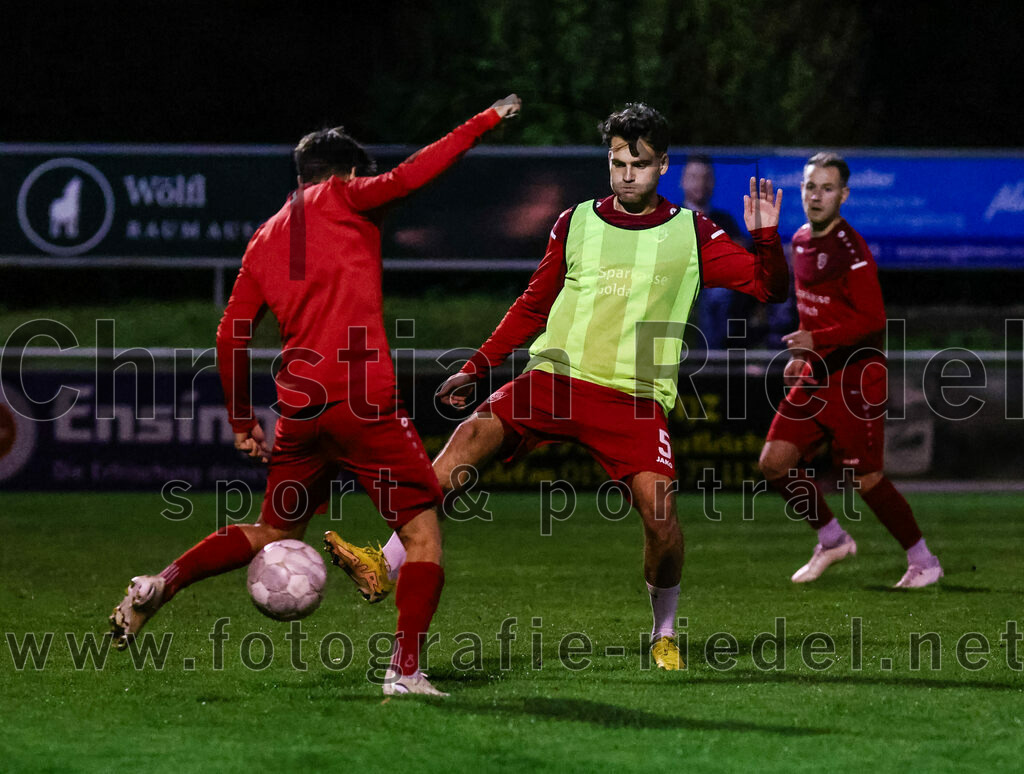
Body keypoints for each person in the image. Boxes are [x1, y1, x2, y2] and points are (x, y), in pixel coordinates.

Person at [325, 103, 788, 671]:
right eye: (617, 161)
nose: (625, 174)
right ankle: (384, 562)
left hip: (632, 398)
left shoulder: (692, 233)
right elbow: (533, 305)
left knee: (662, 519)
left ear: (662, 165)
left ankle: (663, 633)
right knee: (471, 438)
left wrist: (766, 237)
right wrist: (477, 366)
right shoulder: (576, 221)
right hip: (555, 377)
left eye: (638, 164)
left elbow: (768, 287)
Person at [109, 94, 523, 696]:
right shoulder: (346, 195)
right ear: (347, 174)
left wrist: (241, 421)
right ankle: (405, 673)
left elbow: (230, 334)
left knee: (275, 531)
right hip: (362, 401)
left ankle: (158, 584)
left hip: (300, 411)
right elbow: (413, 175)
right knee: (422, 533)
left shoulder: (264, 238)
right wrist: (484, 122)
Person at [757, 152, 943, 589]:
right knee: (775, 463)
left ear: (843, 195)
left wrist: (816, 342)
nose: (816, 196)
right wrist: (804, 353)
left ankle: (924, 560)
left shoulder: (850, 249)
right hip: (816, 375)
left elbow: (872, 320)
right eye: (810, 186)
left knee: (865, 479)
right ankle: (832, 538)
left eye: (826, 188)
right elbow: (810, 310)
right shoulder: (801, 239)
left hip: (856, 379)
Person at [683, 154, 749, 349]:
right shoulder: (673, 217)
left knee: (720, 293)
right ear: (683, 181)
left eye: (706, 178)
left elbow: (739, 251)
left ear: (713, 182)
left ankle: (715, 359)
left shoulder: (725, 220)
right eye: (694, 177)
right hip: (682, 282)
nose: (700, 183)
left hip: (716, 284)